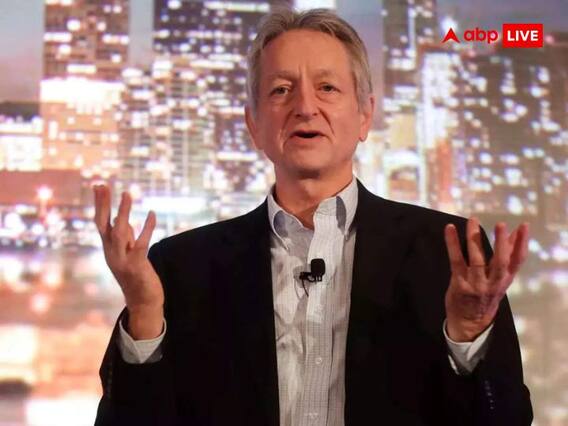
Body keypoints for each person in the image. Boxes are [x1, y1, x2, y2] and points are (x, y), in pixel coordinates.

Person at [93, 8, 532, 426]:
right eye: (281, 90)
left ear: (365, 115)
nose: (305, 106)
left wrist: (468, 336)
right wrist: (145, 315)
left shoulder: (448, 254)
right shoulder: (178, 267)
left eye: (327, 88)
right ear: (253, 125)